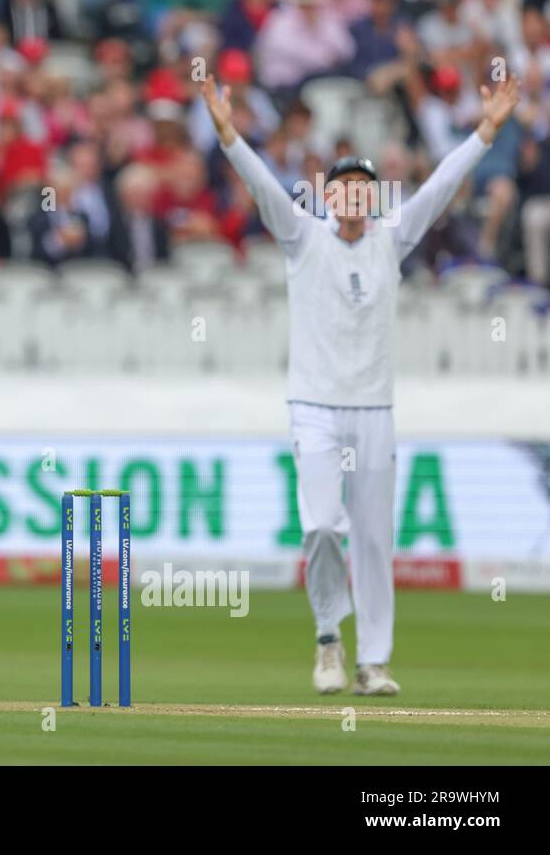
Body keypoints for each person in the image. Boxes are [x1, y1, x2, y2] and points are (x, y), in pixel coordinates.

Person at [201, 72, 521, 697]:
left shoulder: (391, 239)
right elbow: (260, 183)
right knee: (322, 525)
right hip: (314, 406)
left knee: (374, 540)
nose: (353, 197)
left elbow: (441, 186)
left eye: (363, 189)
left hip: (374, 409)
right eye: (343, 187)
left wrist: (485, 131)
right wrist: (226, 130)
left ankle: (374, 661)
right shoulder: (302, 237)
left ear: (373, 200)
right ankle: (328, 639)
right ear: (328, 196)